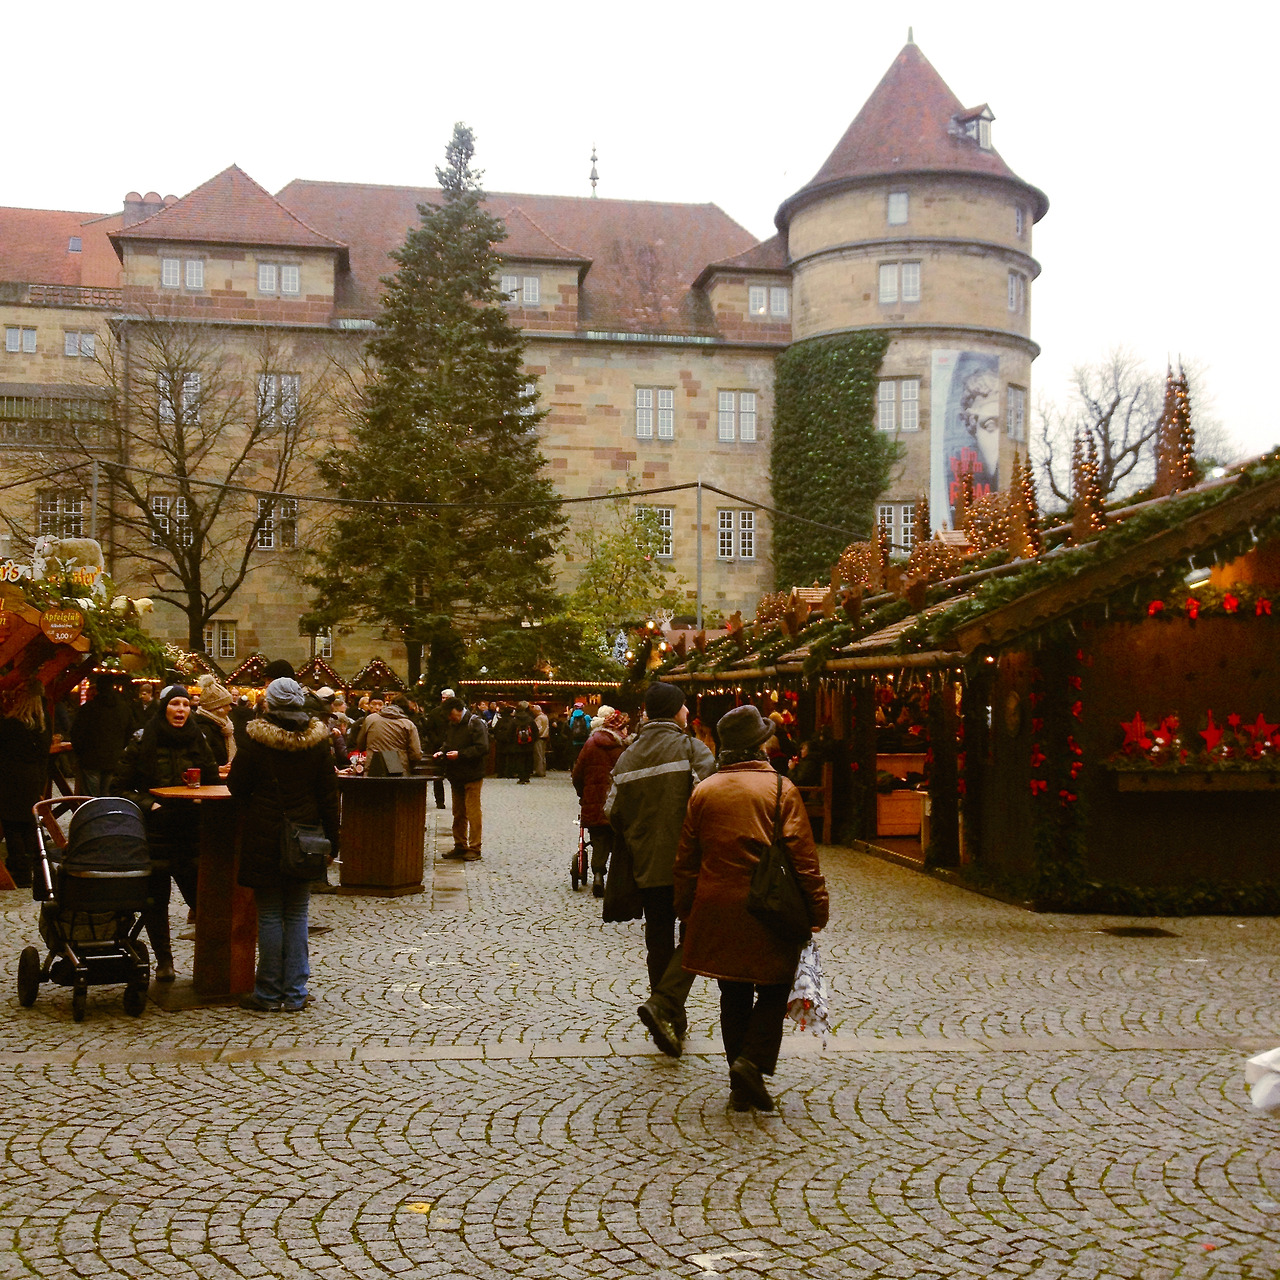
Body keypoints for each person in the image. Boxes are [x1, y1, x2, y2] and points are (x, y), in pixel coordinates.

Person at [674, 705, 829, 1112]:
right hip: (769, 906)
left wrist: (686, 908)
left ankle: (740, 1084)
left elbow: (687, 859)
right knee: (776, 985)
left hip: (716, 904)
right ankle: (752, 1061)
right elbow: (803, 859)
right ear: (759, 745)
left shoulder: (704, 790)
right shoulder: (780, 788)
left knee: (733, 991)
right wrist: (817, 909)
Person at [604, 681, 715, 1058]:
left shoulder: (628, 756)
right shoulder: (691, 749)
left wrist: (642, 831)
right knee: (697, 934)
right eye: (684, 706)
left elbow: (612, 812)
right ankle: (664, 1004)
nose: (688, 712)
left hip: (647, 865)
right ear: (674, 710)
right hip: (689, 863)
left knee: (658, 940)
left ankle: (670, 1019)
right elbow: (710, 800)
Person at [228, 677, 339, 1012]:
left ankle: (267, 992)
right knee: (298, 913)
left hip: (265, 833)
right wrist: (333, 840)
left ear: (270, 704)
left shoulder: (256, 739)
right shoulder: (317, 741)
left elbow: (237, 785)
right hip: (305, 836)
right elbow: (328, 794)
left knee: (270, 915)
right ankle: (295, 991)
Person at [110, 684, 219, 980]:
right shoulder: (143, 739)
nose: (181, 709)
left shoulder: (199, 738)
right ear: (164, 708)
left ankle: (211, 965)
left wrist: (201, 796)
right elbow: (118, 788)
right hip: (155, 832)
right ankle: (164, 961)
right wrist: (149, 804)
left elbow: (213, 780)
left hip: (190, 832)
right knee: (156, 902)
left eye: (185, 704)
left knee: (202, 901)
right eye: (175, 704)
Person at [0, 680, 52, 889]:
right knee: (29, 823)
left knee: (12, 824)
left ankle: (19, 870)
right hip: (34, 777)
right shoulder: (43, 724)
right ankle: (33, 867)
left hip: (11, 777)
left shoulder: (10, 725)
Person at [572, 709, 629, 898]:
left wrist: (583, 794)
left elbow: (577, 773)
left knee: (598, 839)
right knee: (618, 838)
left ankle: (598, 875)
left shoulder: (590, 744)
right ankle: (618, 879)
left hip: (594, 802)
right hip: (618, 802)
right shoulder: (624, 746)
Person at [436, 696, 489, 861]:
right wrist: (442, 751)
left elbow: (482, 747)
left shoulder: (475, 723)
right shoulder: (453, 724)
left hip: (472, 774)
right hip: (456, 775)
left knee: (473, 812)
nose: (450, 718)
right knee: (458, 812)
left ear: (459, 710)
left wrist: (460, 754)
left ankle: (475, 847)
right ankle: (460, 845)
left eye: (451, 714)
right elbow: (449, 743)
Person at [70, 674, 134, 795]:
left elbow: (76, 733)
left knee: (91, 797)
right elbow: (129, 732)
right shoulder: (124, 708)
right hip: (113, 758)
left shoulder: (88, 708)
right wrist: (120, 749)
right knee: (107, 794)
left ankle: (95, 807)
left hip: (90, 759)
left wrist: (80, 753)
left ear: (98, 688)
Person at [356, 693, 423, 774]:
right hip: (399, 769)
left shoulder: (371, 719)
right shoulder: (408, 724)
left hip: (373, 766)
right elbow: (416, 754)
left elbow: (360, 744)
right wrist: (408, 765)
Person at [194, 674, 236, 777]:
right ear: (216, 708)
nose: (230, 709)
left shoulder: (222, 726)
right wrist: (217, 768)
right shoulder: (204, 729)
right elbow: (198, 759)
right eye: (226, 705)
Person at [422, 689, 454, 809]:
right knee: (438, 775)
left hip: (453, 746)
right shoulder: (435, 712)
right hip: (437, 746)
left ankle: (457, 799)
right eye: (443, 698)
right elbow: (429, 729)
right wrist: (435, 741)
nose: (444, 700)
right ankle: (439, 801)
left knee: (454, 775)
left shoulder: (457, 712)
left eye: (447, 698)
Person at [510, 701, 536, 784]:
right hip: (529, 744)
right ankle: (527, 777)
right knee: (528, 760)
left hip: (518, 744)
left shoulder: (514, 720)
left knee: (519, 760)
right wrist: (533, 741)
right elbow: (535, 731)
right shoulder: (530, 719)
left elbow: (510, 732)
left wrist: (512, 741)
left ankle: (521, 777)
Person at [567, 700, 592, 769]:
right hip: (585, 740)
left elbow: (570, 728)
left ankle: (576, 770)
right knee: (584, 757)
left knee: (576, 757)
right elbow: (589, 727)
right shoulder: (587, 717)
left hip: (575, 741)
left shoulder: (572, 718)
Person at [533, 703, 550, 778]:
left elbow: (538, 729)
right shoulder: (545, 717)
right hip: (545, 737)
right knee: (543, 755)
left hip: (539, 737)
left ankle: (539, 771)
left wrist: (534, 735)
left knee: (538, 755)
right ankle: (543, 770)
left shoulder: (539, 718)